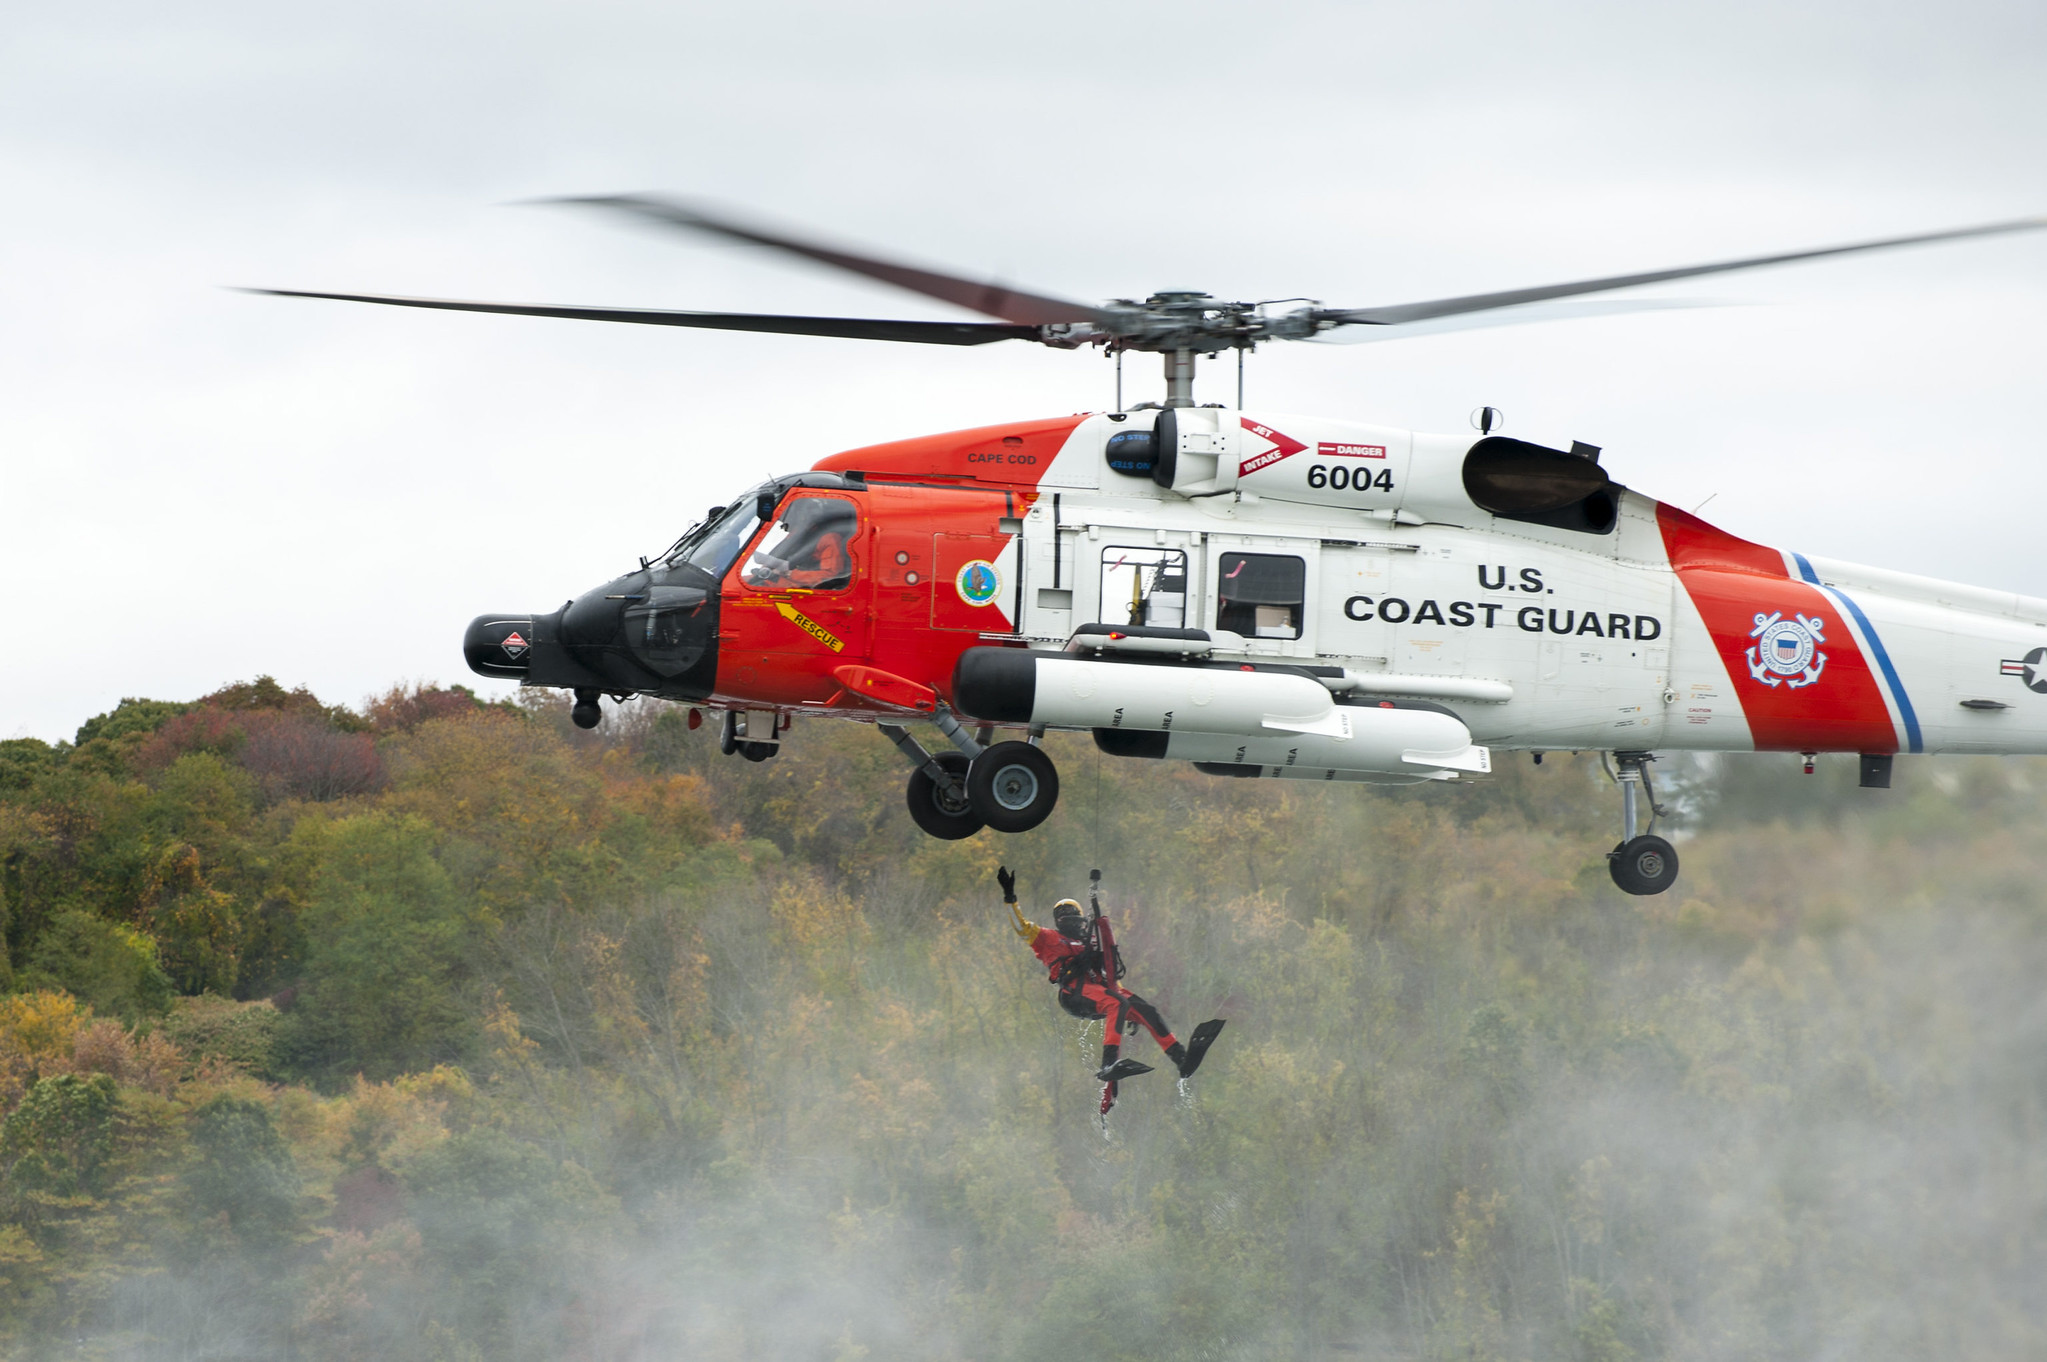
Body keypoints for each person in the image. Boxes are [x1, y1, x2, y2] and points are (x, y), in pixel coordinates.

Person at [999, 866, 1221, 1093]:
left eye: (1071, 911)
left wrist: (1128, 1007)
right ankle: (1108, 1063)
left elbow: (1109, 975)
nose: (1069, 916)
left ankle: (1180, 1058)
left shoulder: (1088, 943)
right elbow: (1021, 926)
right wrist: (1010, 897)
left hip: (1096, 989)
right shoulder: (1046, 937)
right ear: (1058, 920)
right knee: (1118, 1003)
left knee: (1146, 1010)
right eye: (1063, 912)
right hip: (1073, 992)